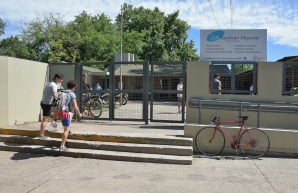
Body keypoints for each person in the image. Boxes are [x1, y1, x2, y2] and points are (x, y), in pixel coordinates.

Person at [55, 80, 82, 151]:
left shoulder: (61, 91)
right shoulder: (71, 94)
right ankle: (62, 146)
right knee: (65, 130)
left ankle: (67, 127)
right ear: (73, 87)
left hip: (56, 112)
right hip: (64, 113)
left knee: (71, 114)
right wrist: (79, 114)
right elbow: (75, 106)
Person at [39, 73, 63, 139]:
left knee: (56, 112)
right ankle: (41, 135)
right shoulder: (54, 85)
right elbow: (54, 94)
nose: (61, 80)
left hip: (44, 102)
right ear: (57, 78)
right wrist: (60, 97)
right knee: (45, 120)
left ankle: (53, 123)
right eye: (61, 79)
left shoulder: (49, 83)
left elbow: (44, 92)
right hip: (47, 104)